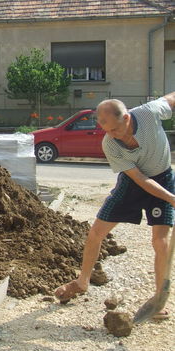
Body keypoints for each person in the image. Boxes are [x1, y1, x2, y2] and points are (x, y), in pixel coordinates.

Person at [54, 92, 175, 320]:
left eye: (116, 129)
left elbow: (171, 98)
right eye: (106, 130)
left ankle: (159, 298)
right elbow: (140, 179)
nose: (112, 135)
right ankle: (82, 281)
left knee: (160, 241)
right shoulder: (110, 144)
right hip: (133, 183)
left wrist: (168, 195)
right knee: (96, 233)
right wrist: (172, 198)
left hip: (163, 176)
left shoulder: (150, 113)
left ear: (127, 118)